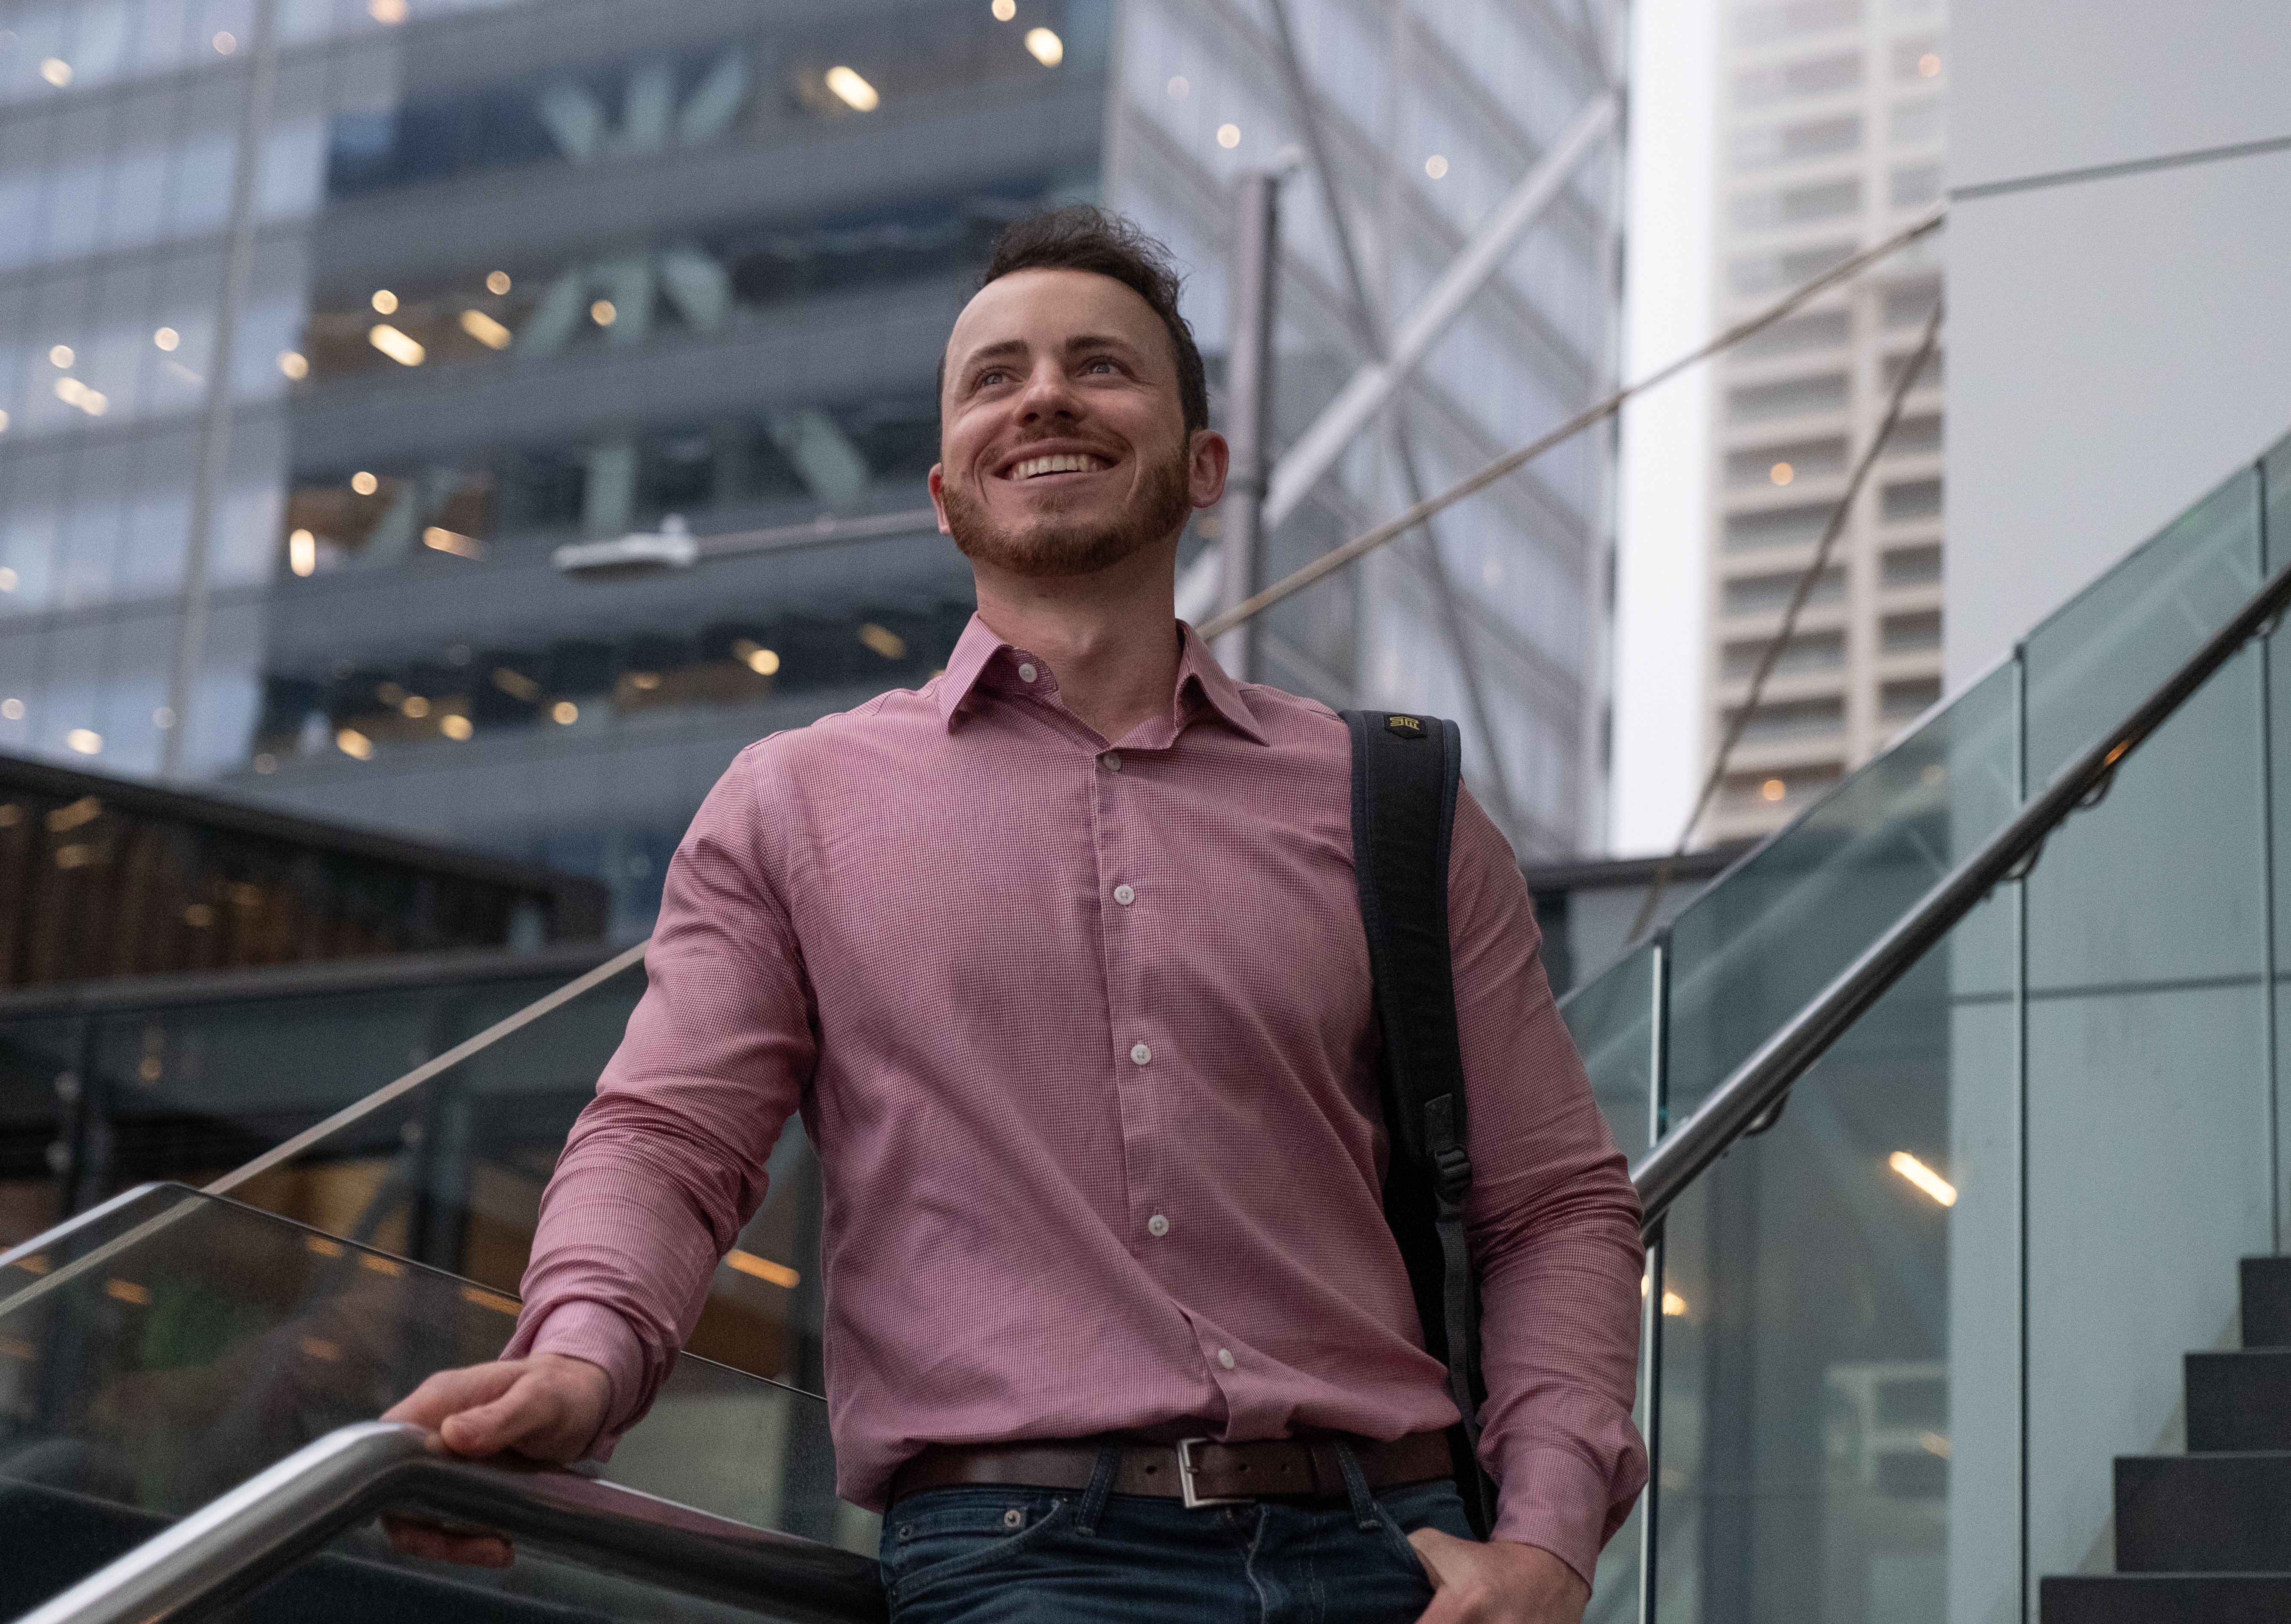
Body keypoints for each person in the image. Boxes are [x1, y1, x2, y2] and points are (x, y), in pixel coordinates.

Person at [383, 206, 1647, 1623]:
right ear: (945, 488)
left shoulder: (1394, 798)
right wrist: (579, 1362)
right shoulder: (793, 803)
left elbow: (1557, 1205)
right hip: (1023, 1564)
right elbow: (669, 1139)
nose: (1043, 394)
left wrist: (1545, 1543)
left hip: (1399, 1556)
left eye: (1100, 367)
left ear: (1203, 463)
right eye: (995, 376)